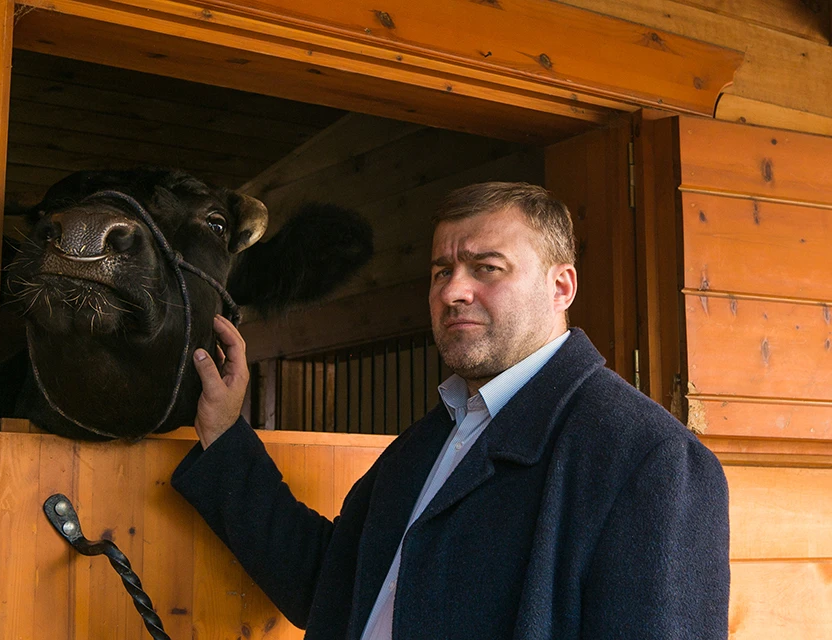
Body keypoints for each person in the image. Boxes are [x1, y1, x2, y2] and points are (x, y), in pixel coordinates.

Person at [171, 182, 730, 639]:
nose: (452, 291)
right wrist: (224, 435)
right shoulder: (429, 442)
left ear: (561, 287)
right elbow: (328, 585)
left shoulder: (649, 460)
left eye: (487, 267)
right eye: (442, 271)